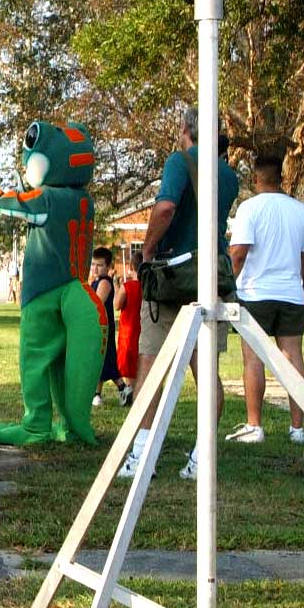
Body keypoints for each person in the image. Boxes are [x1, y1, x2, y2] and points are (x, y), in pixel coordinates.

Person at [119, 112, 240, 482]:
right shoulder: (229, 176)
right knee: (207, 375)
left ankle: (141, 455)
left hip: (172, 279)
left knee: (152, 369)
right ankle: (201, 456)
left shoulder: (179, 161)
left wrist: (148, 251)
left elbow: (167, 207)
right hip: (211, 278)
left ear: (186, 130)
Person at [227, 154, 304, 445]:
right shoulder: (300, 211)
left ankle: (255, 425)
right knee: (293, 359)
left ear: (255, 178)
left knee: (253, 358)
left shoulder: (249, 209)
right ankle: (297, 429)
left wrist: (227, 284)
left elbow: (238, 253)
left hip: (255, 293)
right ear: (281, 177)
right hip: (290, 294)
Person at [89, 247, 130, 407]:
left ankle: (123, 388)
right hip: (97, 327)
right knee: (101, 359)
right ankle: (98, 394)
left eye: (99, 265)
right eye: (93, 265)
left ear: (108, 267)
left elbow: (96, 303)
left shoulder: (104, 282)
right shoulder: (95, 281)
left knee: (104, 360)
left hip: (103, 327)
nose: (95, 268)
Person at [118, 254, 141, 390]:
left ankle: (130, 389)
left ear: (131, 267)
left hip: (128, 329)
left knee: (128, 362)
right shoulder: (149, 286)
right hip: (144, 329)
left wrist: (117, 286)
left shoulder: (127, 286)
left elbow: (117, 304)